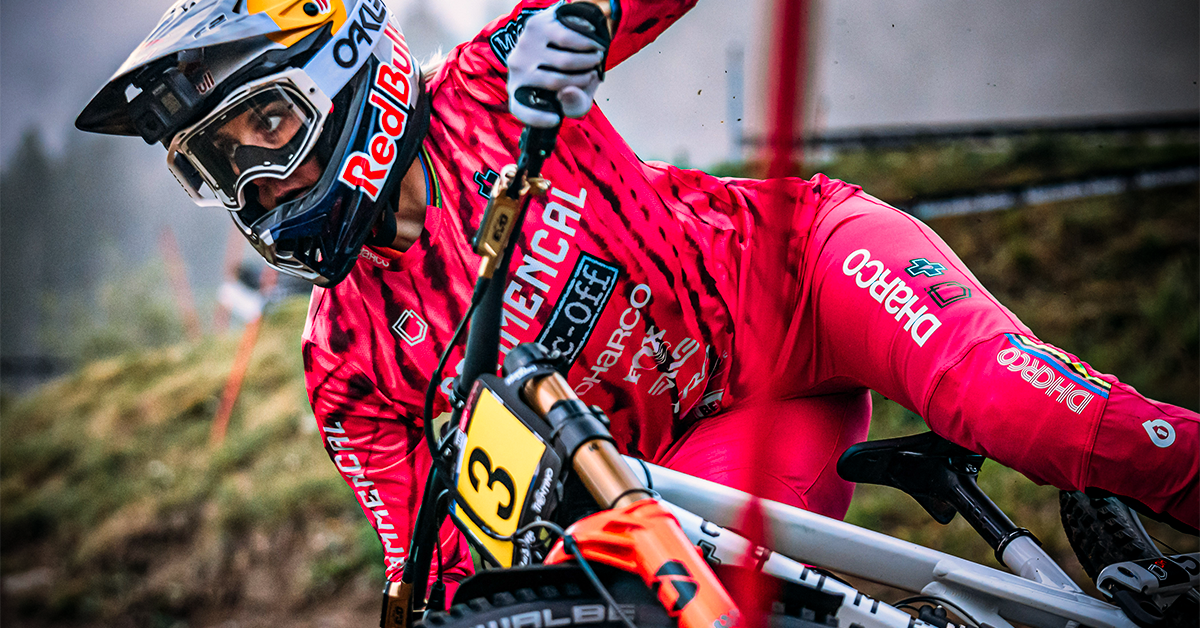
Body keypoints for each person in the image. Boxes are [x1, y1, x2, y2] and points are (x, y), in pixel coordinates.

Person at [79, 0, 1197, 604]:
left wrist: (583, 12)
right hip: (712, 452)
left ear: (344, 77)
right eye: (218, 164)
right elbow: (442, 583)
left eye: (267, 127)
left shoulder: (490, 85)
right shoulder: (346, 363)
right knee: (670, 601)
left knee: (1029, 413)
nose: (256, 185)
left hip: (810, 274)